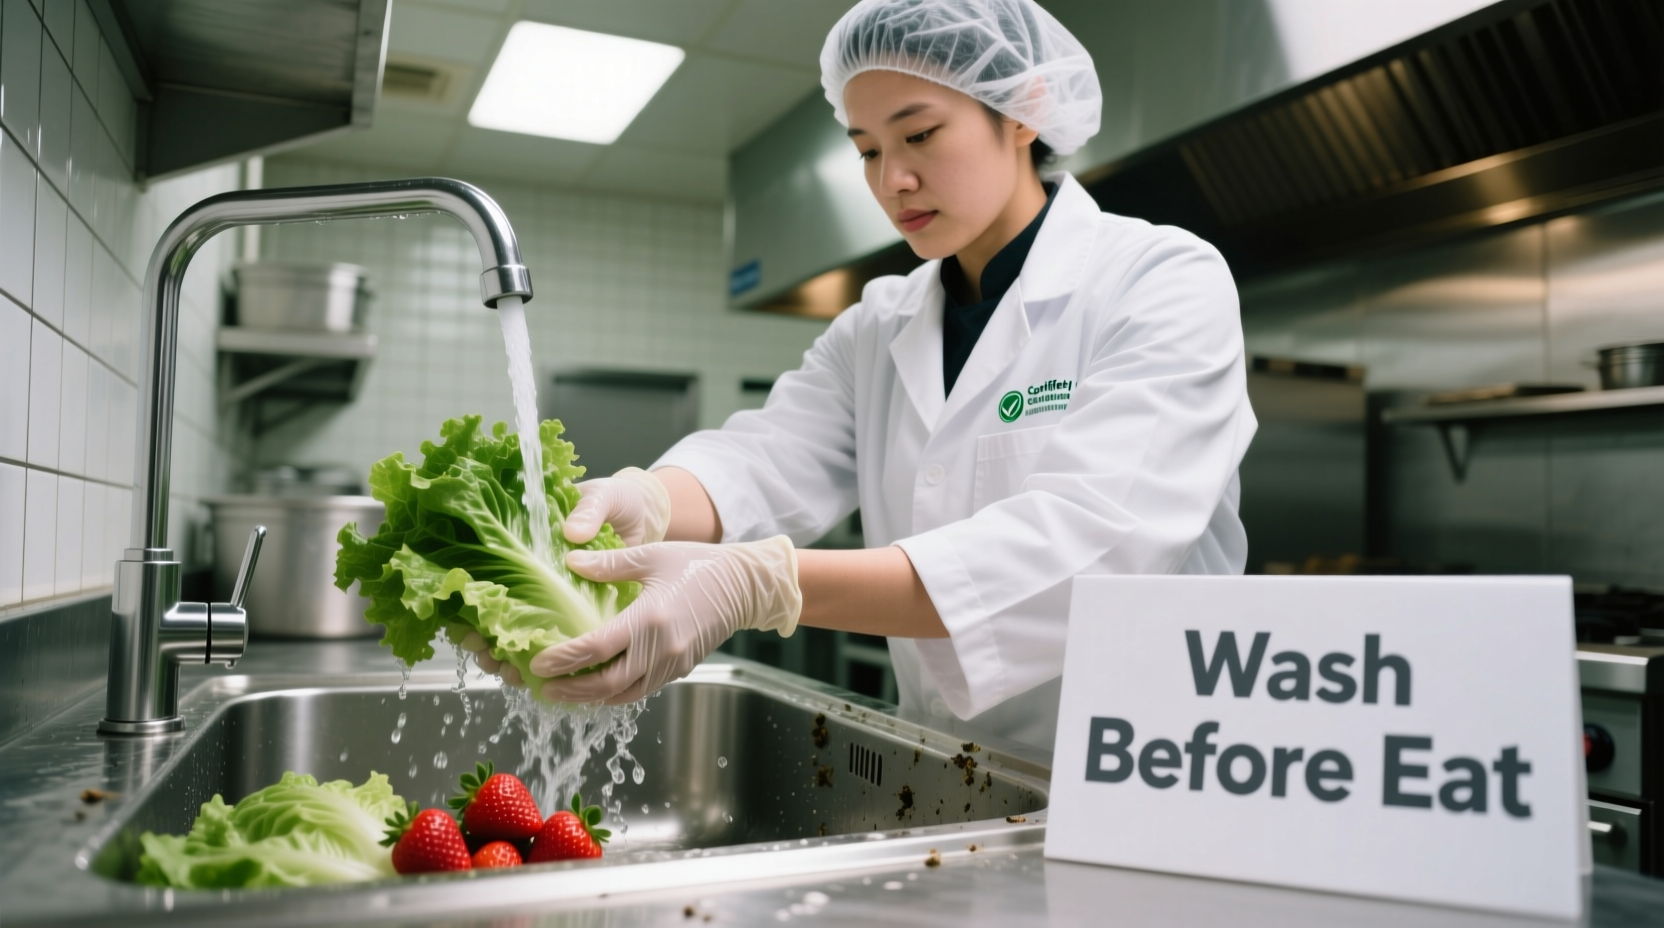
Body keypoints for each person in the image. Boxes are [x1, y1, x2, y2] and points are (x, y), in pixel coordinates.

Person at [469, 0, 1257, 750]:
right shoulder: (879, 324)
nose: (891, 182)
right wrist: (643, 499)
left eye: (919, 135)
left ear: (1021, 110)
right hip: (956, 766)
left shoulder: (1161, 280)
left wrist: (761, 584)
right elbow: (769, 457)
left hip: (1139, 765)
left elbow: (1089, 547)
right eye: (869, 149)